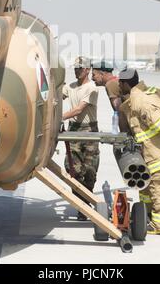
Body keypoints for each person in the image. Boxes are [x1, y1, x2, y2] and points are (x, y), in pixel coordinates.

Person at [118, 67, 160, 235]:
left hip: (158, 152)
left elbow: (157, 124)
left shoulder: (138, 101)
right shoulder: (156, 91)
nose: (119, 86)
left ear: (126, 84)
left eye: (120, 83)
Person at [62, 56, 99, 220]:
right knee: (73, 169)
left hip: (89, 130)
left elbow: (78, 110)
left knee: (89, 169)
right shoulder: (70, 87)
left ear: (87, 70)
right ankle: (80, 205)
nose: (77, 71)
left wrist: (59, 117)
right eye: (75, 68)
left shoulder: (92, 88)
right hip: (74, 129)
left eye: (80, 68)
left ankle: (87, 200)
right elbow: (55, 93)